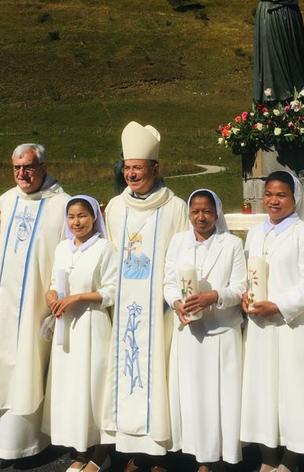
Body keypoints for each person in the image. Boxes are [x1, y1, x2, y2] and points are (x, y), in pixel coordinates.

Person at [102, 121, 189, 470]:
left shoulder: (176, 207)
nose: (131, 174)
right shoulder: (114, 207)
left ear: (155, 168)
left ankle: (160, 451)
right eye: (127, 167)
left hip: (161, 310)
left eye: (138, 167)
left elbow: (184, 256)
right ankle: (130, 448)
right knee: (127, 372)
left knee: (159, 376)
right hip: (124, 308)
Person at [0, 143, 70, 468]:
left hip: (39, 308)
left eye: (29, 167)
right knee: (6, 367)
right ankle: (3, 439)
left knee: (32, 370)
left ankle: (30, 443)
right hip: (4, 307)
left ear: (44, 167)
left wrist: (56, 295)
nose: (23, 174)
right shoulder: (2, 204)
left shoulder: (62, 205)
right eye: (17, 168)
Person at [240, 172, 304, 472]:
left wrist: (278, 305)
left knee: (293, 392)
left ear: (294, 198)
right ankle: (267, 458)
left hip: (291, 327)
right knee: (263, 391)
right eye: (269, 194)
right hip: (260, 327)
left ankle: (291, 458)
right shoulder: (255, 234)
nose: (274, 201)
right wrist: (244, 297)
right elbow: (248, 276)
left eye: (281, 195)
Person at [164, 189, 247, 471]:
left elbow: (240, 287)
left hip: (221, 332)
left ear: (217, 213)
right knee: (193, 395)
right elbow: (168, 282)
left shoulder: (232, 244)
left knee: (221, 399)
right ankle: (198, 453)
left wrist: (214, 296)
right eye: (195, 211)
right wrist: (176, 302)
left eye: (207, 212)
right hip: (189, 333)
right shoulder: (178, 242)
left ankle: (221, 456)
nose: (201, 217)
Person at [43, 195, 118, 472]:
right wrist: (51, 295)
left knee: (93, 388)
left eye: (82, 216)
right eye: (72, 216)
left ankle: (101, 452)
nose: (77, 222)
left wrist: (78, 298)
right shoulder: (62, 248)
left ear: (94, 217)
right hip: (67, 329)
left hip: (92, 324)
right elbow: (54, 281)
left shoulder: (104, 248)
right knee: (72, 389)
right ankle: (79, 449)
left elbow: (112, 289)